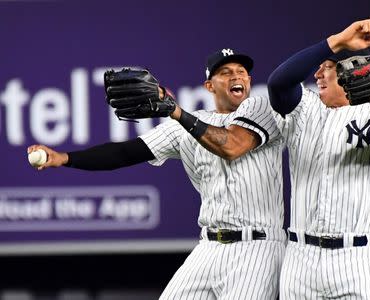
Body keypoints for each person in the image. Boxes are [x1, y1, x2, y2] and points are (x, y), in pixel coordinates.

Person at [28, 48, 286, 299]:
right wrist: (64, 158)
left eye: (241, 72)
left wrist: (176, 112)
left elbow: (231, 145)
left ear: (249, 81)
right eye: (225, 72)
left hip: (258, 248)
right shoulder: (188, 125)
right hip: (209, 247)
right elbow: (126, 153)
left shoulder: (261, 109)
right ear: (209, 86)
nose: (236, 76)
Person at [268, 19, 370, 299]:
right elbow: (278, 83)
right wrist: (336, 42)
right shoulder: (305, 109)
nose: (317, 73)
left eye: (327, 67)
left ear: (350, 73)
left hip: (356, 260)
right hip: (300, 258)